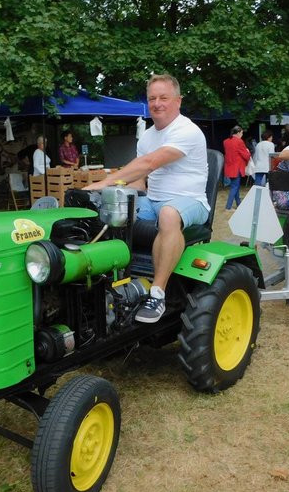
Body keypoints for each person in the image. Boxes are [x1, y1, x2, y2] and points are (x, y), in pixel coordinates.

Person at [84, 74, 209, 323]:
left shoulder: (187, 130)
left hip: (190, 201)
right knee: (108, 211)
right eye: (152, 98)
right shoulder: (148, 136)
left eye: (164, 97)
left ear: (178, 101)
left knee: (169, 214)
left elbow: (149, 163)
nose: (157, 103)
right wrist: (110, 194)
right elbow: (141, 181)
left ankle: (157, 293)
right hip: (153, 200)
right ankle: (108, 282)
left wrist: (106, 181)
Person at [223, 125, 252, 210]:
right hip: (237, 168)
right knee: (235, 187)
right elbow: (246, 155)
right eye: (242, 132)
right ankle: (228, 207)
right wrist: (249, 153)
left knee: (235, 186)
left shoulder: (226, 141)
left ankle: (239, 204)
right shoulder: (239, 141)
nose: (242, 134)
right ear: (238, 132)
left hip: (229, 167)